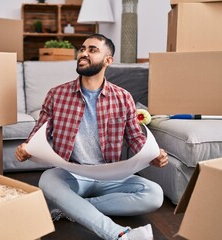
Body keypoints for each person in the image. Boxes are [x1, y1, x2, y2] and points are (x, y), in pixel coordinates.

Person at [15, 34, 168, 240]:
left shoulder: (123, 97)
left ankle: (68, 208)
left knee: (154, 195)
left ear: (108, 60)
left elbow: (135, 138)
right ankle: (119, 234)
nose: (84, 53)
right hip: (72, 174)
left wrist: (153, 154)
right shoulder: (56, 94)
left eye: (92, 50)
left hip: (111, 176)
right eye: (82, 49)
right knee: (47, 180)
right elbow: (40, 132)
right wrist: (26, 147)